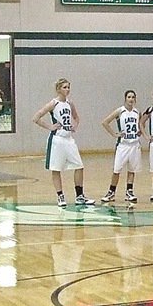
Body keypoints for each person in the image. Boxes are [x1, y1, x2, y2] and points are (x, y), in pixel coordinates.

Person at [33, 78, 97, 208]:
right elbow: (36, 117)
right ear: (58, 89)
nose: (67, 89)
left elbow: (76, 117)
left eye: (68, 87)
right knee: (56, 169)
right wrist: (50, 126)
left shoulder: (70, 103)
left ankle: (79, 196)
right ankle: (60, 196)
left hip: (69, 139)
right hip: (57, 139)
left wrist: (75, 125)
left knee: (79, 166)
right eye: (64, 87)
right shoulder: (53, 103)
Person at [100, 90, 142, 203]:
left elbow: (139, 126)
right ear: (125, 98)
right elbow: (105, 122)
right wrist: (115, 134)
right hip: (123, 145)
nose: (131, 99)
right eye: (129, 97)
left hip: (134, 144)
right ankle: (111, 192)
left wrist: (140, 132)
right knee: (116, 170)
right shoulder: (120, 111)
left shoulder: (137, 112)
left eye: (133, 97)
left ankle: (129, 192)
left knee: (132, 170)